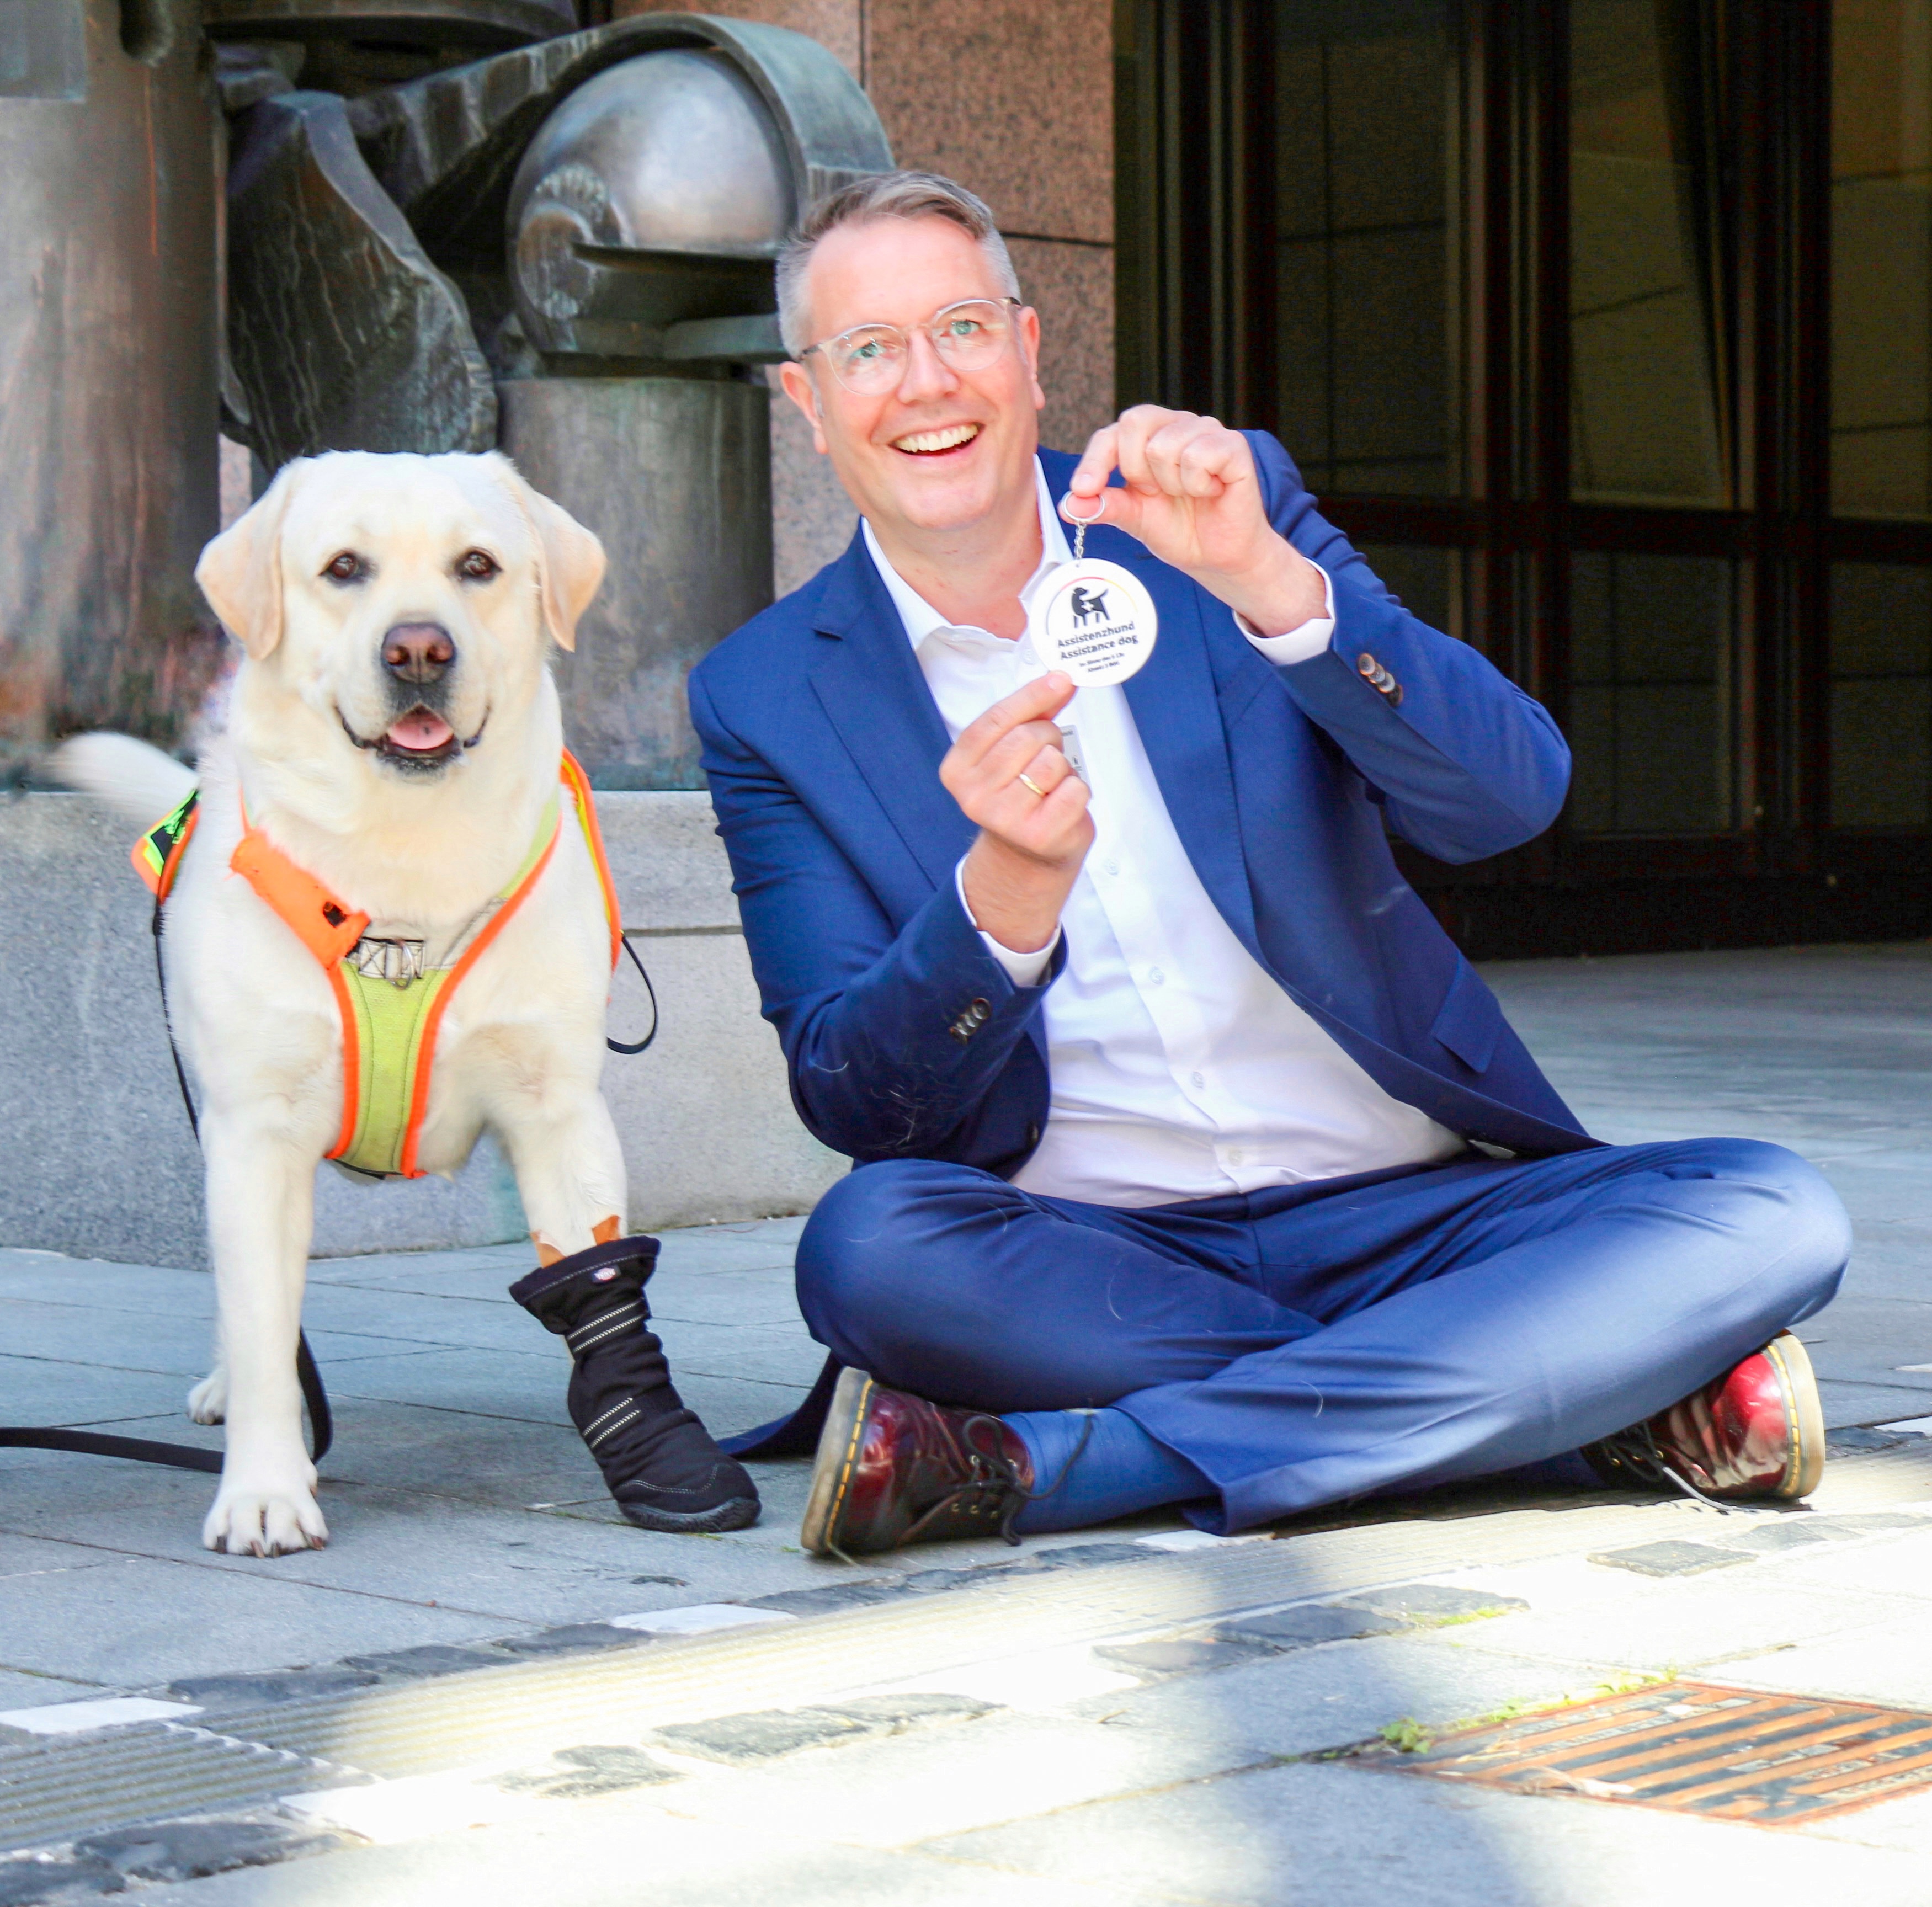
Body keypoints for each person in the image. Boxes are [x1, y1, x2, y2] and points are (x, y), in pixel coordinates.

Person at [689, 171, 1850, 1555]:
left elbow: (1510, 796)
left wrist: (1277, 596)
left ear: (1031, 346)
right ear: (804, 402)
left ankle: (1064, 1465)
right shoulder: (763, 693)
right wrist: (1001, 893)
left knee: (1768, 1210)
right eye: (866, 350)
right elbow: (854, 1097)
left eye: (960, 327)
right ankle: (1562, 1394)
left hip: (1413, 1210)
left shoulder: (1213, 518)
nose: (925, 382)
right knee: (867, 1249)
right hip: (1093, 1253)